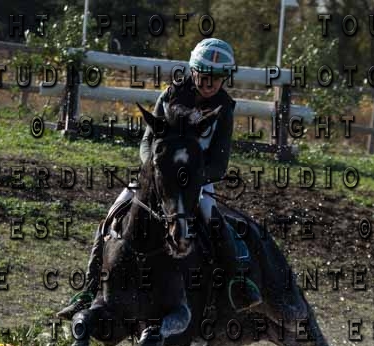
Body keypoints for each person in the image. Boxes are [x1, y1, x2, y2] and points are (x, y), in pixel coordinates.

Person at [57, 38, 262, 320]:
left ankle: (237, 284)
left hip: (197, 180)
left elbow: (220, 162)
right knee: (113, 213)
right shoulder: (170, 95)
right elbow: (147, 141)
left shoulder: (225, 107)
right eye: (205, 75)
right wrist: (154, 169)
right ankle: (89, 290)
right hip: (157, 176)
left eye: (217, 77)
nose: (210, 83)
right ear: (194, 71)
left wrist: (192, 176)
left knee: (213, 219)